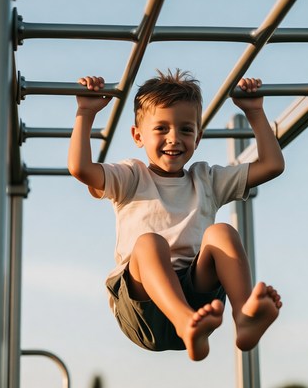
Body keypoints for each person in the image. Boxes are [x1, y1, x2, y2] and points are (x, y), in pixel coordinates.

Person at [68, 69, 284, 361]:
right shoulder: (131, 177)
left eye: (185, 130)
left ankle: (244, 317)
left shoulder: (206, 180)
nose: (174, 138)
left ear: (198, 137)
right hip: (142, 307)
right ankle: (185, 323)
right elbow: (81, 168)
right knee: (148, 243)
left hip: (197, 299)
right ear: (137, 135)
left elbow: (272, 165)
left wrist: (255, 112)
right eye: (161, 129)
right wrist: (85, 113)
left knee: (222, 233)